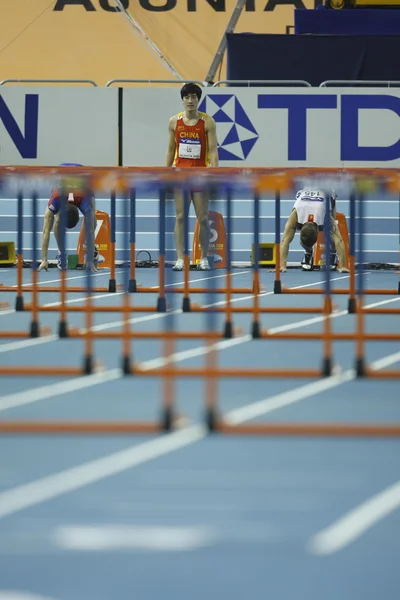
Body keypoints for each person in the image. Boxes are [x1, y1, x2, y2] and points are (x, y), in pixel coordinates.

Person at [165, 82, 219, 271]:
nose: (190, 100)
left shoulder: (208, 122)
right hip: (180, 175)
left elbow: (213, 150)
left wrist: (214, 175)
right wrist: (166, 174)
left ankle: (203, 257)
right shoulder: (174, 122)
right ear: (182, 100)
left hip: (200, 176)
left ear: (198, 99)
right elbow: (171, 149)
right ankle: (180, 259)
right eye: (187, 97)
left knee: (203, 218)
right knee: (180, 217)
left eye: (193, 97)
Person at [37, 163, 98, 272]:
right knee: (56, 221)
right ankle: (62, 252)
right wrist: (44, 259)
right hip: (61, 172)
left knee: (93, 222)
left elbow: (45, 231)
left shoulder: (84, 197)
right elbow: (46, 230)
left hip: (82, 176)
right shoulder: (57, 198)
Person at [280, 189, 350, 273]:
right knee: (333, 234)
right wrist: (282, 266)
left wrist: (342, 266)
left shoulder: (325, 216)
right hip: (308, 192)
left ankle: (332, 252)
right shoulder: (296, 214)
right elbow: (284, 240)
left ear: (318, 231)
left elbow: (338, 240)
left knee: (332, 231)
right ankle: (308, 252)